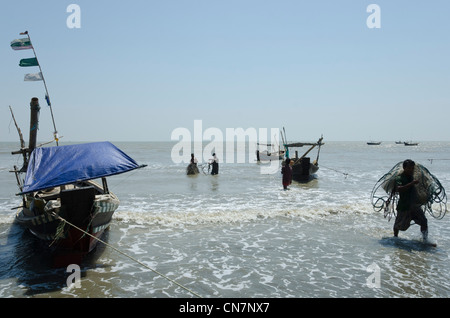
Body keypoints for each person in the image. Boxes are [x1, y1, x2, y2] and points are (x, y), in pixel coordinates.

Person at [393, 159, 428, 240]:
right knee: (398, 225)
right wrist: (411, 183)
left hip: (415, 205)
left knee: (424, 222)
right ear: (404, 168)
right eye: (409, 168)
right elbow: (399, 189)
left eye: (412, 168)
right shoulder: (399, 178)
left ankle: (425, 240)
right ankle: (395, 238)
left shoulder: (414, 177)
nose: (411, 170)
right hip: (404, 205)